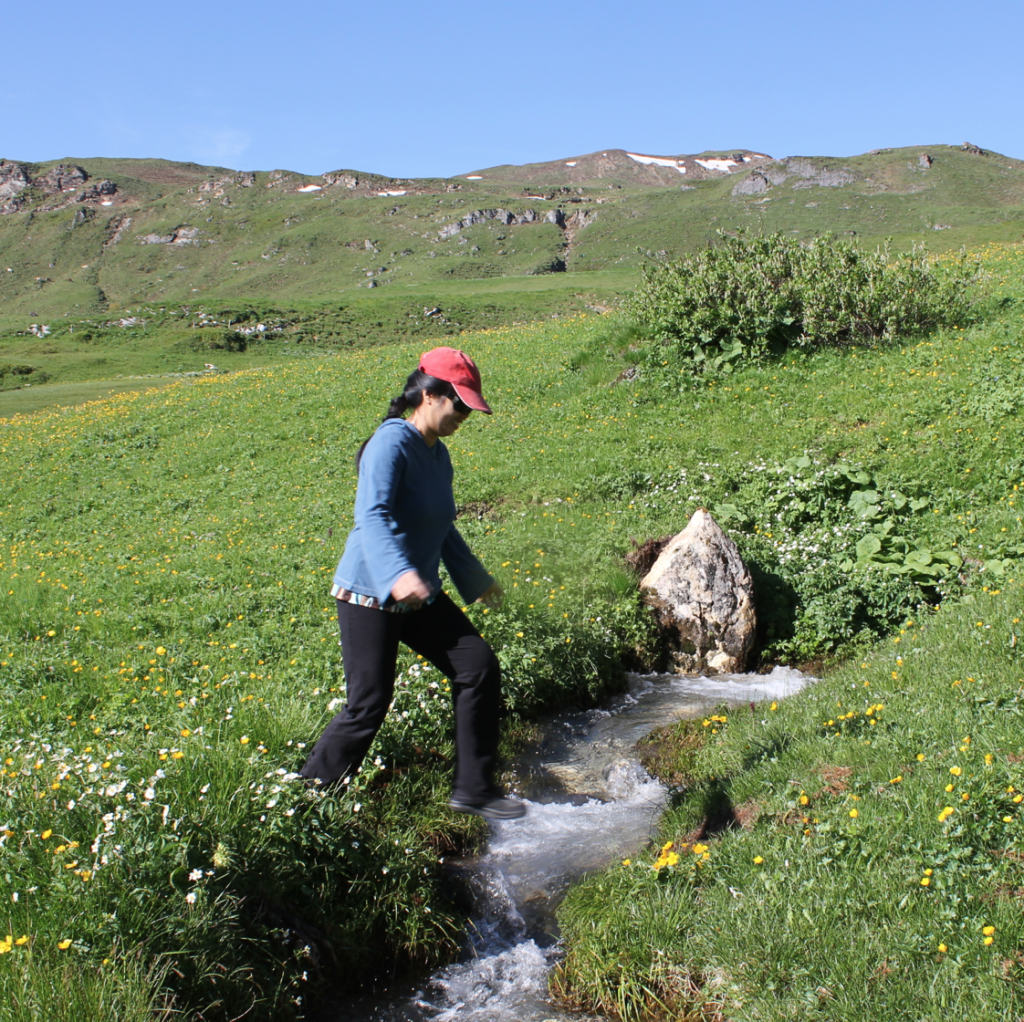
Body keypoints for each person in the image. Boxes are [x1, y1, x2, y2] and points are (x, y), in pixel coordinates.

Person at [300, 346, 526, 820]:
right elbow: (372, 517)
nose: (465, 414)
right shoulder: (390, 443)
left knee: (477, 666)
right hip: (370, 592)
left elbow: (442, 525)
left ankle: (473, 790)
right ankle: (309, 797)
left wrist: (476, 579)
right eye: (459, 403)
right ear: (428, 394)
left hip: (417, 593)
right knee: (369, 704)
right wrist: (397, 574)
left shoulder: (438, 456)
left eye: (469, 406)